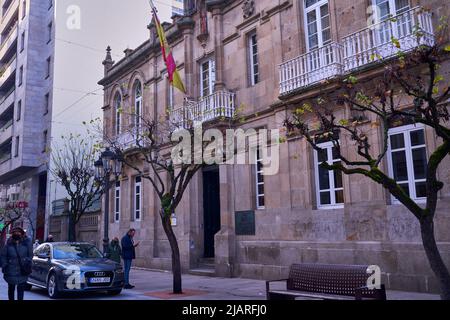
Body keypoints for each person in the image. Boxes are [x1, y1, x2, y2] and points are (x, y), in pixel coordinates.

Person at [1, 227, 33, 301]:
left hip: (22, 270)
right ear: (12, 234)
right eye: (15, 232)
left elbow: (30, 255)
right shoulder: (8, 243)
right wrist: (5, 265)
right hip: (10, 269)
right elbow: (3, 255)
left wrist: (27, 262)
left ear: (21, 234)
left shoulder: (26, 243)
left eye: (18, 232)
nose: (17, 234)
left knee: (21, 289)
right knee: (11, 288)